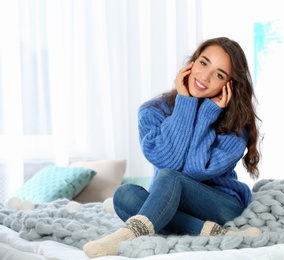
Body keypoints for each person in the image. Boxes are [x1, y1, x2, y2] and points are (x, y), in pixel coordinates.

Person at [83, 37, 262, 258]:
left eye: (219, 74)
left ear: (229, 85)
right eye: (203, 63)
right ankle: (212, 233)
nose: (204, 77)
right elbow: (167, 159)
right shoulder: (152, 111)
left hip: (221, 205)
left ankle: (129, 234)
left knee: (169, 177)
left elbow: (194, 171)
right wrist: (185, 104)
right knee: (124, 196)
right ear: (192, 63)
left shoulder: (235, 124)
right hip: (175, 202)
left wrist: (205, 114)